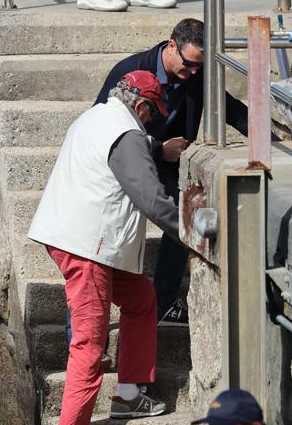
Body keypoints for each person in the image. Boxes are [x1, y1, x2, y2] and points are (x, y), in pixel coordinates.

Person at [28, 71, 181, 425]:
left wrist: (157, 147)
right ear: (141, 106)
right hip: (88, 246)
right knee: (90, 342)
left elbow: (133, 143)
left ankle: (128, 394)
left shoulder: (96, 116)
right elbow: (149, 196)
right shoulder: (127, 134)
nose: (150, 122)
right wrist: (188, 230)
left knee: (141, 299)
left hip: (73, 235)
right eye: (151, 115)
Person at [95, 17, 249, 324]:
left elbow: (229, 108)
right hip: (126, 161)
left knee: (184, 210)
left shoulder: (197, 73)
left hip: (168, 160)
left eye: (199, 67)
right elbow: (101, 127)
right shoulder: (130, 71)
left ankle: (164, 300)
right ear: (171, 46)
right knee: (99, 245)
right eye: (189, 64)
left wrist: (269, 140)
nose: (193, 72)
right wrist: (155, 148)